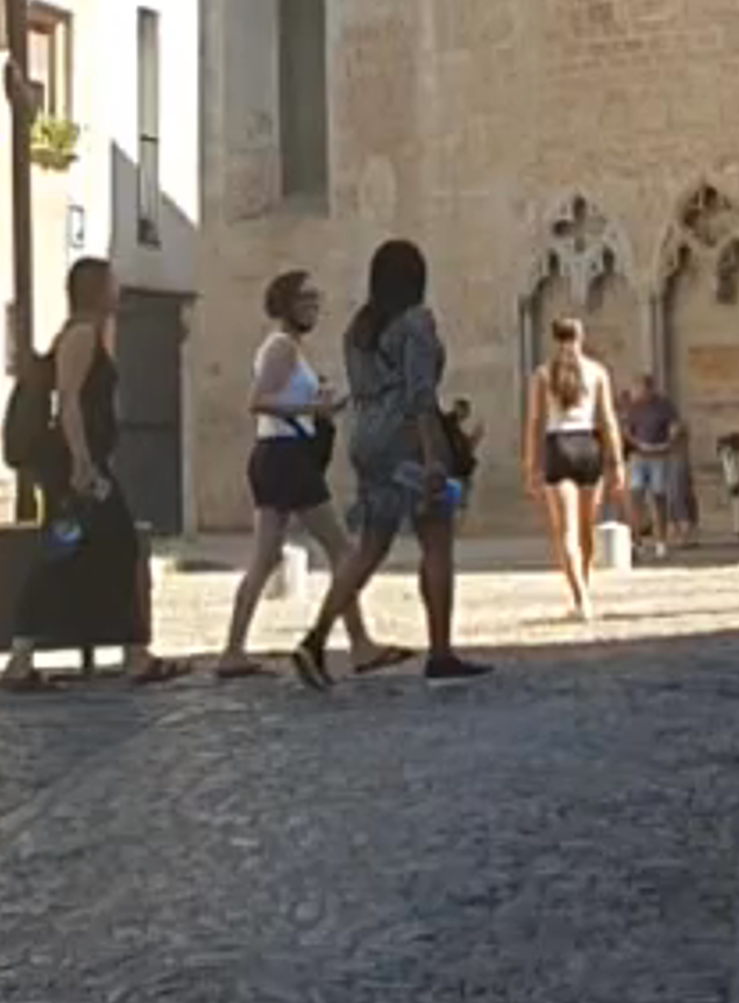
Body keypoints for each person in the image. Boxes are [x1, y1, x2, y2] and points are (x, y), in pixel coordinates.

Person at [297, 240, 482, 687]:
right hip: (407, 439)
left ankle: (315, 639)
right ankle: (441, 651)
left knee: (371, 545)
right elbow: (419, 395)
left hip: (367, 437)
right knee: (436, 540)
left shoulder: (358, 328)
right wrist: (434, 456)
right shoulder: (415, 323)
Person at [216, 269, 383, 674]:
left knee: (265, 557)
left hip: (276, 456)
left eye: (315, 298)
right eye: (305, 298)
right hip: (286, 457)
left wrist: (324, 406)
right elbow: (258, 401)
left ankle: (232, 651)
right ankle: (358, 644)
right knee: (342, 551)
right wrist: (314, 408)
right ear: (286, 304)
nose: (313, 305)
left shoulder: (288, 348)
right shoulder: (281, 348)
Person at [2, 257, 158, 683]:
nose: (118, 289)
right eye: (112, 283)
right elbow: (68, 400)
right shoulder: (81, 335)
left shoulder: (91, 333)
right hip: (74, 469)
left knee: (108, 546)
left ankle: (132, 650)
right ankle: (23, 658)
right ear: (96, 289)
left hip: (80, 464)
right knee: (68, 549)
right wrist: (82, 463)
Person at [522, 311, 626, 615]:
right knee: (586, 529)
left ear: (554, 339)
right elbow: (608, 420)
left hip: (559, 445)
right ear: (581, 338)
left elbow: (535, 421)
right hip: (588, 446)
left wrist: (531, 464)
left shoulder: (543, 374)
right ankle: (585, 589)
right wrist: (617, 462)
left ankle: (580, 598)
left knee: (565, 532)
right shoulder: (597, 372)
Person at [616, 367, 694, 557]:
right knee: (636, 497)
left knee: (659, 497)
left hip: (659, 456)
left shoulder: (664, 405)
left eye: (641, 388)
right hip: (639, 457)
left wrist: (669, 441)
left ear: (650, 388)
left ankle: (660, 541)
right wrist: (638, 444)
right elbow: (626, 431)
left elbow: (675, 426)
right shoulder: (633, 407)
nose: (638, 392)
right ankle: (637, 541)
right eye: (637, 388)